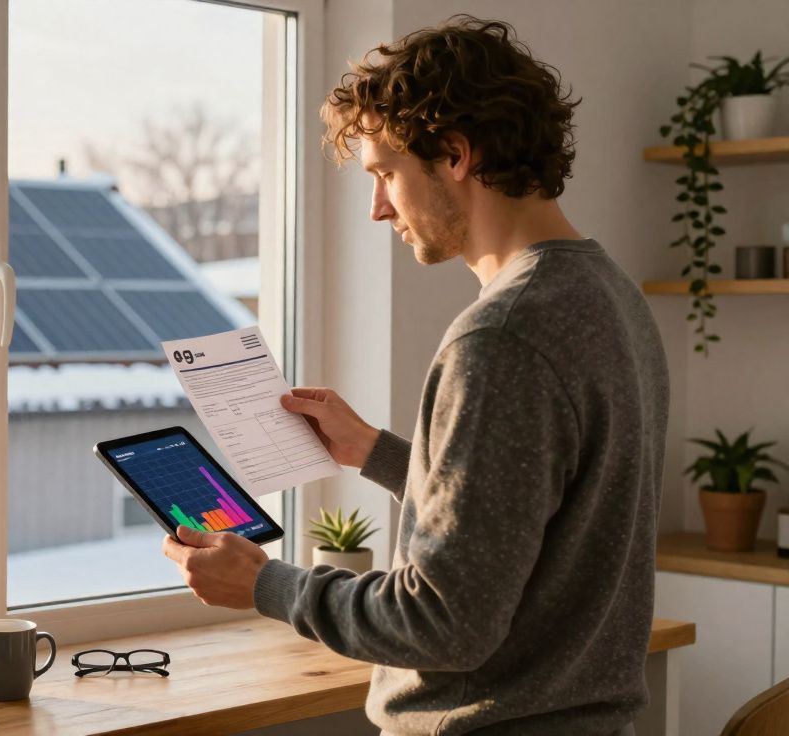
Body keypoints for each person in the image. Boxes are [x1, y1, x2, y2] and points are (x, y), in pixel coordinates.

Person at [161, 16, 668, 736]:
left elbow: (442, 623)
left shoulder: (503, 336)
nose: (376, 208)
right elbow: (537, 516)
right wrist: (376, 452)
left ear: (456, 154)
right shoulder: (608, 294)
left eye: (384, 174)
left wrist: (264, 584)